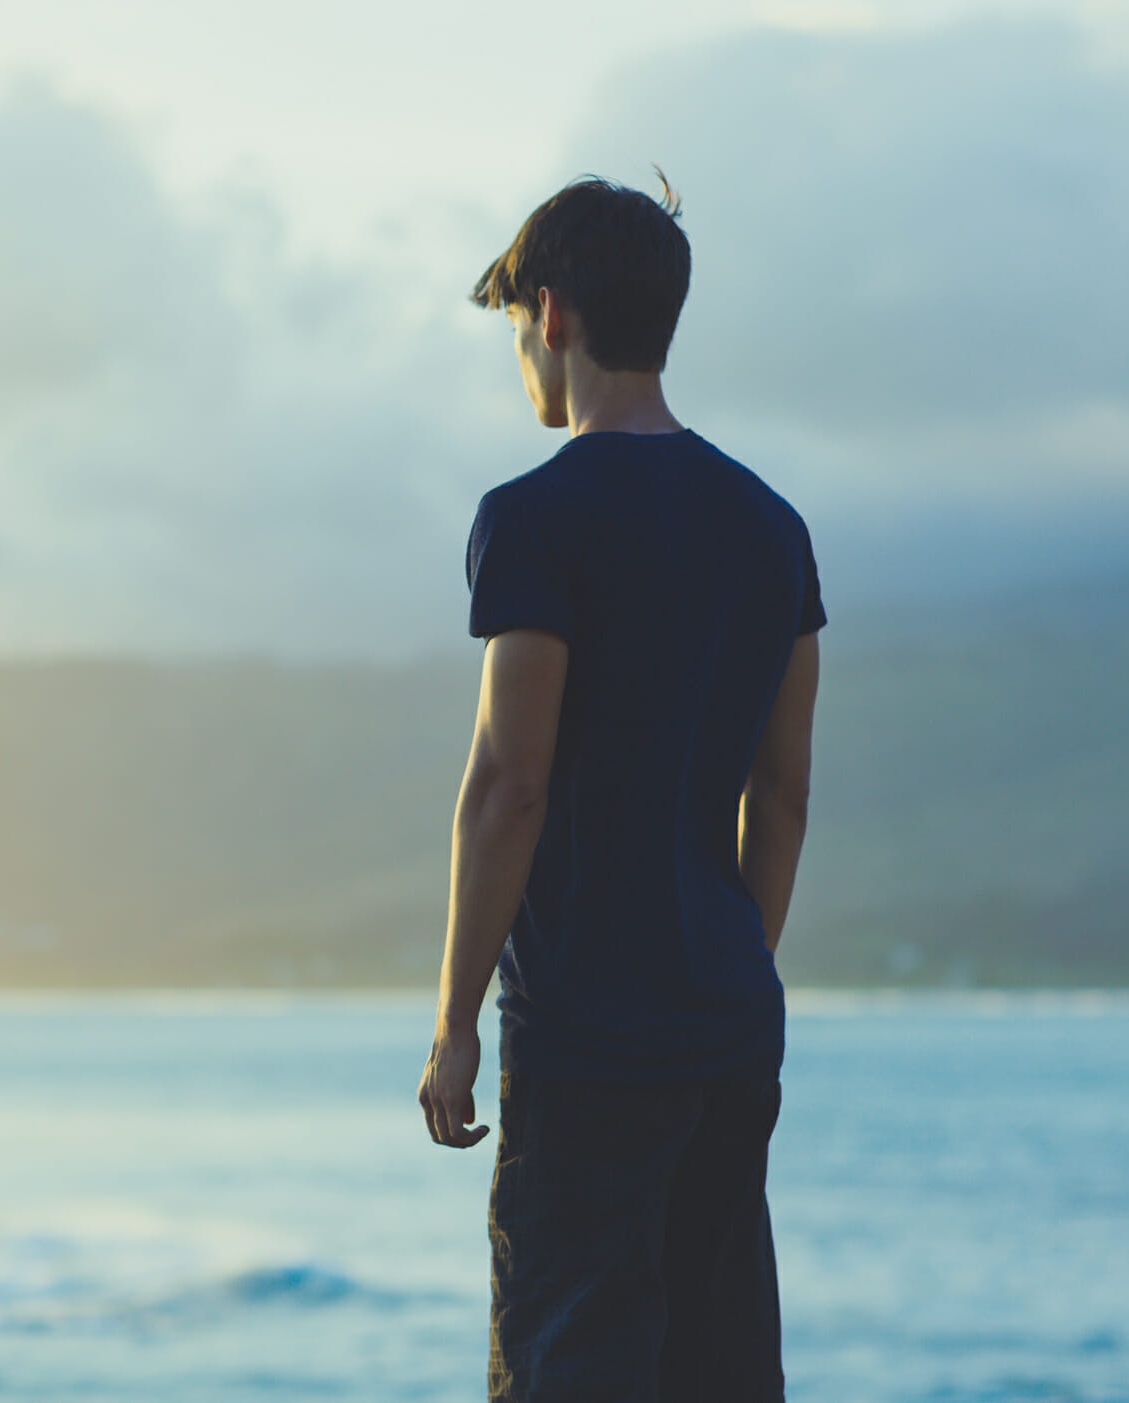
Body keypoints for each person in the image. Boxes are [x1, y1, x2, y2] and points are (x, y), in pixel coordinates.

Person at [416, 170, 825, 1402]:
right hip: (729, 1026)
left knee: (569, 1366)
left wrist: (451, 1025)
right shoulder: (772, 526)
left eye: (516, 336)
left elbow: (508, 784)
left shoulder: (533, 519)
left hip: (588, 1036)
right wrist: (731, 965)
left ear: (551, 315)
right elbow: (785, 791)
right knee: (716, 1371)